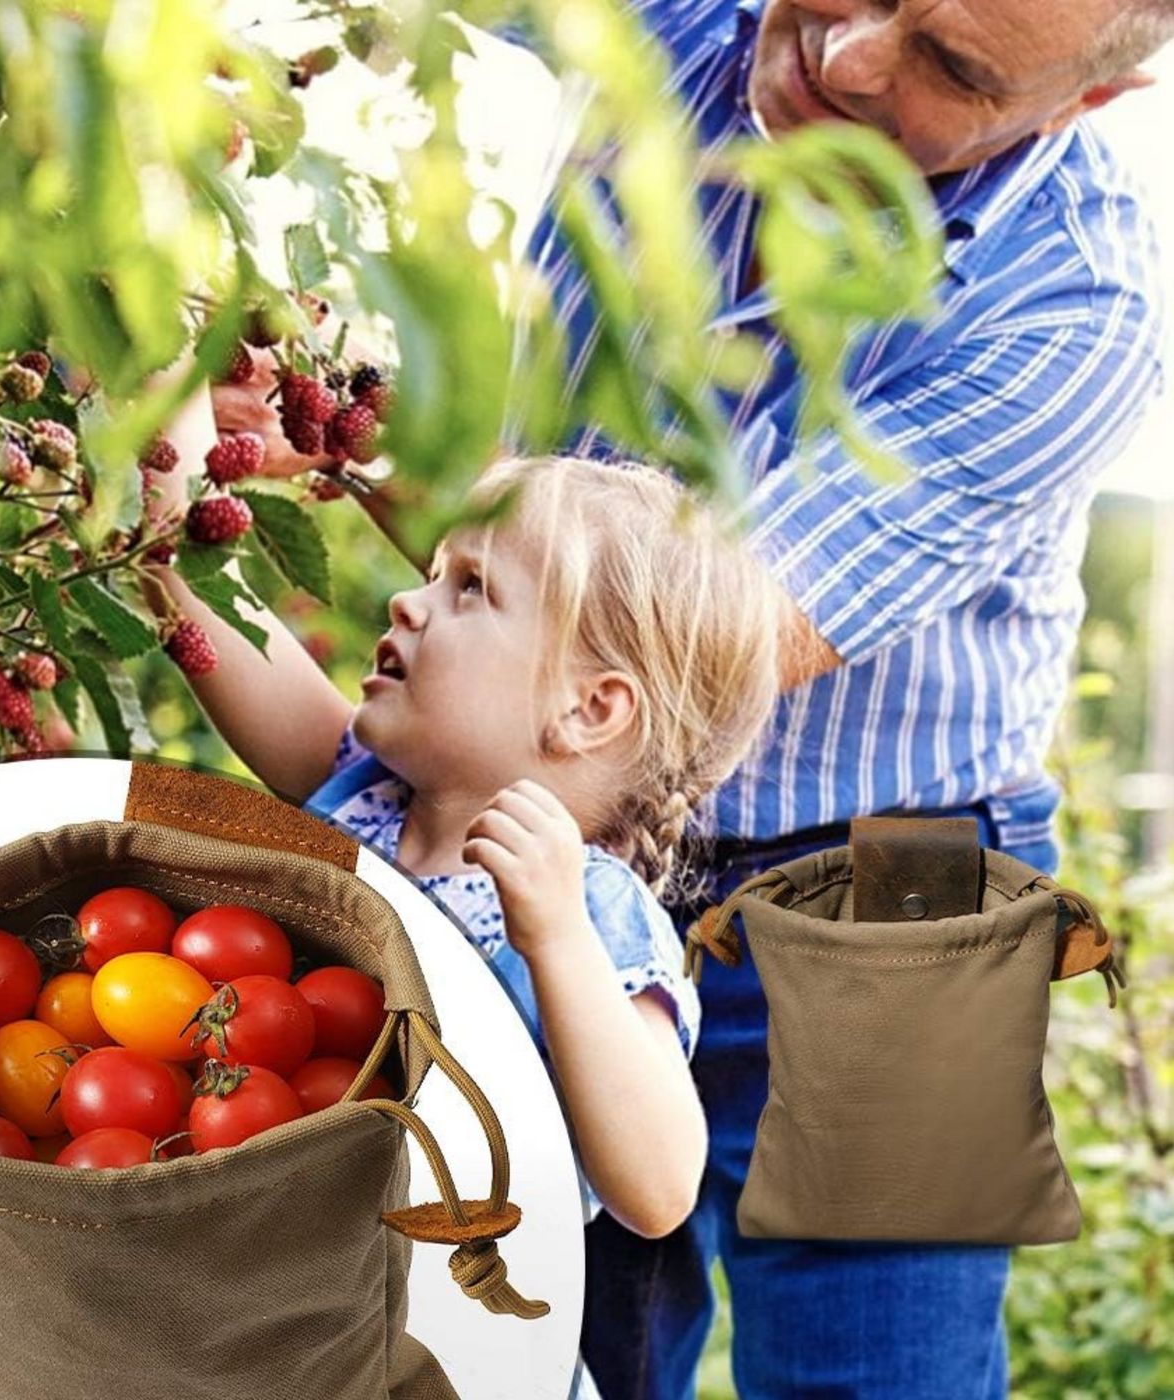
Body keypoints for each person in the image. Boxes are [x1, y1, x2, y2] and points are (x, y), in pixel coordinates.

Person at [514, 3, 1168, 1399]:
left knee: (876, 1373)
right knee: (560, 1343)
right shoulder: (680, 24)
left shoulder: (1075, 304)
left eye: (952, 67)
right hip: (586, 816)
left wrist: (374, 467)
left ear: (1077, 108)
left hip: (895, 875)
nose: (850, 54)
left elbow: (694, 641)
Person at [145, 450, 786, 1347]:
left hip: (443, 1350)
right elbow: (188, 589)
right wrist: (184, 366)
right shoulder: (359, 796)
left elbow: (661, 1188)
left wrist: (556, 940)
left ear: (590, 710)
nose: (411, 602)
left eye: (471, 588)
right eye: (431, 573)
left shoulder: (588, 910)